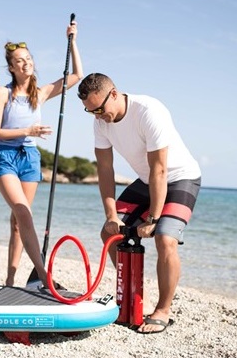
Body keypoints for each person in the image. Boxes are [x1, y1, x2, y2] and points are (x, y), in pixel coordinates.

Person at [78, 73, 202, 334]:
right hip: (147, 181)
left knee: (165, 239)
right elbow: (105, 170)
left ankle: (163, 310)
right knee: (109, 233)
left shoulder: (148, 111)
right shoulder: (101, 123)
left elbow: (160, 169)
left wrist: (153, 220)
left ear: (114, 93)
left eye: (100, 109)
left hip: (180, 178)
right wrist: (111, 215)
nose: (98, 116)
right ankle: (133, 297)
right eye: (91, 112)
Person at [0, 20, 82, 288]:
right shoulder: (2, 93)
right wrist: (27, 129)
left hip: (30, 158)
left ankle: (10, 280)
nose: (26, 63)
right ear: (11, 67)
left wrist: (72, 41)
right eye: (20, 60)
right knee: (23, 213)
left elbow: (76, 75)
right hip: (5, 157)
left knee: (18, 223)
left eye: (28, 58)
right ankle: (44, 275)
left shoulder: (39, 94)